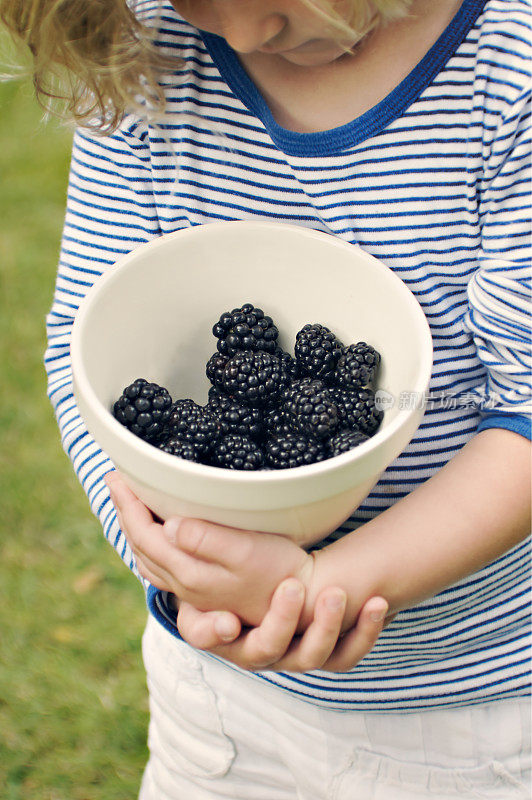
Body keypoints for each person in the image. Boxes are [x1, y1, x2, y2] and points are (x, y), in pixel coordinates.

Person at [2, 0, 530, 797]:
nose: (242, 34)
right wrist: (186, 566)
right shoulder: (144, 55)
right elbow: (83, 351)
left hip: (468, 714)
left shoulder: (510, 73)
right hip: (216, 708)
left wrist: (324, 591)